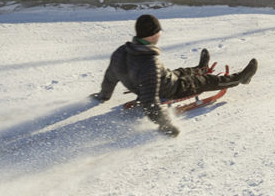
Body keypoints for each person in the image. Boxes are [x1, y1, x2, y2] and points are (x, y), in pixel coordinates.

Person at [92, 14, 258, 137]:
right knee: (207, 81)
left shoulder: (121, 52)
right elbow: (150, 103)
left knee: (181, 71)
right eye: (159, 32)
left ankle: (200, 67)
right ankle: (241, 78)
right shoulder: (149, 64)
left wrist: (103, 96)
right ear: (153, 35)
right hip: (171, 89)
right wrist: (166, 126)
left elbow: (110, 77)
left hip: (163, 79)